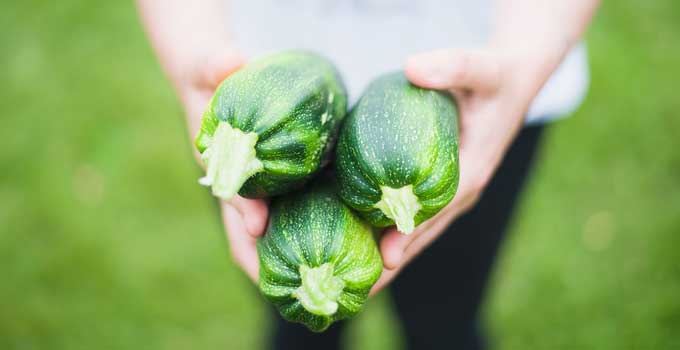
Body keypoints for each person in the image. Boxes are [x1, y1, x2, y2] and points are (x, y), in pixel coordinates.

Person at [137, 1, 600, 348]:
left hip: (482, 90)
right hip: (262, 83)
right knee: (298, 324)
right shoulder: (242, 123)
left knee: (445, 317)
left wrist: (523, 62)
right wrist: (191, 49)